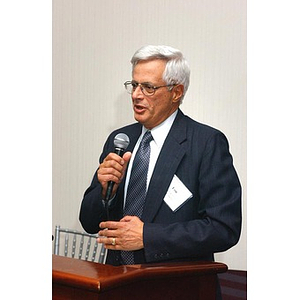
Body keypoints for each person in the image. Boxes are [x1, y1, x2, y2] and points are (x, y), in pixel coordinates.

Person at [79, 45, 242, 268]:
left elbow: (224, 229)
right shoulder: (120, 139)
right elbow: (89, 222)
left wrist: (147, 236)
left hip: (175, 286)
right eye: (134, 85)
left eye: (148, 87)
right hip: (117, 282)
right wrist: (107, 191)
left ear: (176, 92)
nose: (136, 95)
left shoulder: (206, 143)